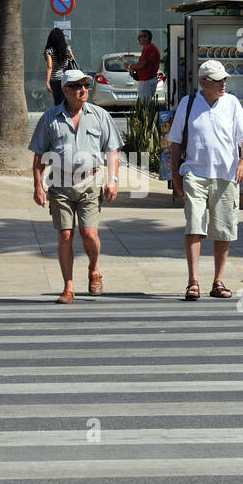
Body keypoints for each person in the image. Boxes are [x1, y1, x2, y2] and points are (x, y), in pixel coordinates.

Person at [167, 59, 243, 300]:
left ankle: (218, 280)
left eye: (225, 80)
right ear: (203, 83)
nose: (223, 84)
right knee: (194, 225)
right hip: (195, 173)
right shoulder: (188, 104)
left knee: (223, 229)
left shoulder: (231, 103)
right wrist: (175, 176)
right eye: (218, 81)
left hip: (226, 175)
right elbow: (175, 143)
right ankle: (193, 280)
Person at [29, 68, 120, 303]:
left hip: (90, 181)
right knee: (65, 236)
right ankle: (68, 287)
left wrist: (112, 180)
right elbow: (39, 156)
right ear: (65, 90)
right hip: (59, 183)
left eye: (86, 86)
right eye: (77, 86)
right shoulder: (50, 118)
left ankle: (94, 268)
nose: (83, 90)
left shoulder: (100, 115)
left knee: (89, 233)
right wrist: (38, 186)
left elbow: (112, 151)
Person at [127, 29, 161, 105]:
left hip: (147, 81)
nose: (138, 38)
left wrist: (130, 66)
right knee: (145, 103)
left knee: (144, 104)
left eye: (140, 36)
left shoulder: (149, 48)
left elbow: (142, 64)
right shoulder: (148, 48)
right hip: (146, 80)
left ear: (146, 38)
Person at [44, 27, 77, 106]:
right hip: (66, 78)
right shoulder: (67, 49)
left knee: (57, 101)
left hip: (55, 79)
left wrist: (47, 82)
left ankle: (60, 116)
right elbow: (73, 60)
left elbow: (49, 67)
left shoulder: (49, 51)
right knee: (66, 100)